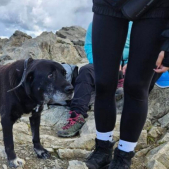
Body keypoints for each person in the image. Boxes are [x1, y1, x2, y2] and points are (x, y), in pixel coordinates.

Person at [85, 1, 169, 169]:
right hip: (108, 3)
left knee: (136, 86)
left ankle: (124, 155)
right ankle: (102, 148)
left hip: (157, 6)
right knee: (103, 82)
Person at [57, 22, 132, 138]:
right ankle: (77, 115)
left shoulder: (133, 23)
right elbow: (89, 46)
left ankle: (120, 86)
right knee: (86, 71)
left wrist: (129, 63)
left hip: (128, 65)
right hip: (102, 63)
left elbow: (140, 48)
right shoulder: (97, 22)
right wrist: (102, 63)